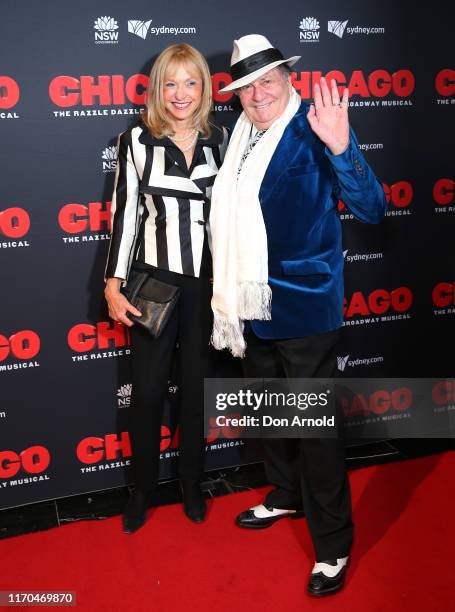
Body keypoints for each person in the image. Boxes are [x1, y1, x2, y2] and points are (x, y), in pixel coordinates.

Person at [209, 35, 386, 596]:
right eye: (246, 85)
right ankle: (285, 494)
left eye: (267, 80)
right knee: (268, 413)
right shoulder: (238, 136)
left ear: (288, 79)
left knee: (315, 432)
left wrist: (341, 149)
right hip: (249, 305)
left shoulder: (315, 128)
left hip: (305, 306)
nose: (258, 93)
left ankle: (333, 545)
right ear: (236, 94)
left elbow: (372, 207)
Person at [104, 43, 228, 534]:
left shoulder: (223, 139)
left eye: (190, 82)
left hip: (207, 287)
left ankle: (192, 484)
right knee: (149, 391)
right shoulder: (136, 140)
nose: (180, 94)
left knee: (197, 391)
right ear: (158, 89)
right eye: (170, 83)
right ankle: (141, 490)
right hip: (153, 284)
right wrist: (114, 285)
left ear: (204, 88)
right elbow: (126, 217)